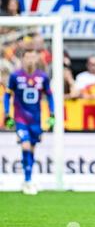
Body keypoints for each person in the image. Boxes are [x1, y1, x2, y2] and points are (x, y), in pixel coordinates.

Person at [3, 49, 55, 195]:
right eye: (28, 57)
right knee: (25, 145)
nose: (31, 60)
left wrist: (52, 113)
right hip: (20, 118)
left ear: (37, 59)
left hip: (36, 120)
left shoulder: (43, 77)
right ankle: (27, 180)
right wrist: (7, 114)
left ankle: (29, 179)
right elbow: (7, 96)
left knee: (32, 149)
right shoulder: (15, 76)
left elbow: (50, 96)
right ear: (23, 59)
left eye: (33, 57)